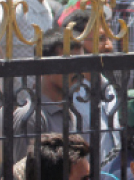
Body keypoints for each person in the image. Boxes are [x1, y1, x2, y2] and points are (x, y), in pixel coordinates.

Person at [9, 29, 84, 163]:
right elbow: (24, 175)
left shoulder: (68, 112)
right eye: (71, 64)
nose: (78, 71)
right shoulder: (31, 117)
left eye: (81, 63)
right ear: (46, 67)